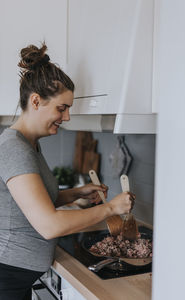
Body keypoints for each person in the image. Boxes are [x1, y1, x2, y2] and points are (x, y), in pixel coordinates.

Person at [0, 43, 135, 299]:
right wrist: (111, 208)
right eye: (62, 108)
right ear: (36, 101)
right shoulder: (14, 148)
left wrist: (77, 193)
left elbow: (28, 202)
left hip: (14, 276)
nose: (67, 117)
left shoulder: (28, 144)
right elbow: (49, 225)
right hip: (6, 277)